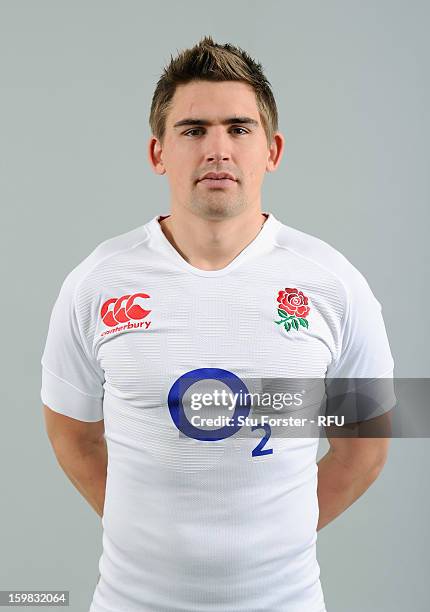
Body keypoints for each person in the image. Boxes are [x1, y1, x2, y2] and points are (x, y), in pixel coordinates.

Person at [40, 35, 395, 612]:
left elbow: (366, 450)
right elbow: (72, 436)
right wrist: (153, 542)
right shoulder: (97, 282)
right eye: (192, 129)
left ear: (271, 149)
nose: (217, 149)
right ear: (158, 152)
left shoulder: (334, 283)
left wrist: (270, 548)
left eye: (239, 128)